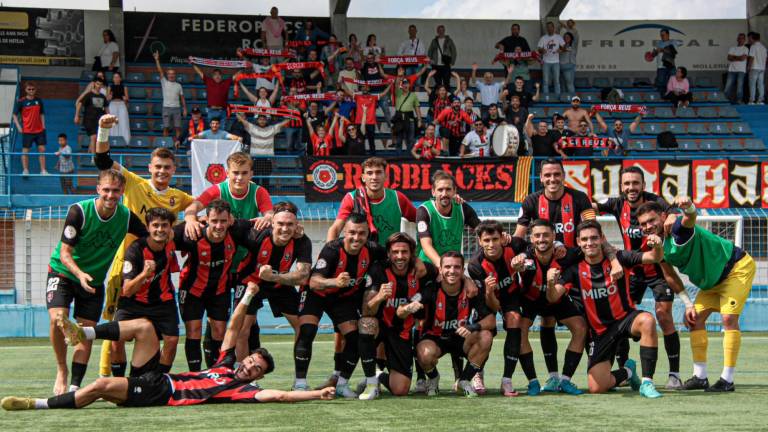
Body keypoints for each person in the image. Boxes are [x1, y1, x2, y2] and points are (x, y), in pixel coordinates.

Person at [1, 283, 335, 411]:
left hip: (160, 393)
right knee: (145, 328)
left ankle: (37, 404)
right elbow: (232, 329)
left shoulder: (239, 390)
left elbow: (279, 396)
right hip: (159, 377)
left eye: (256, 369)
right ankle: (83, 335)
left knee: (101, 386)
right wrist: (247, 297)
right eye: (252, 361)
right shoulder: (224, 366)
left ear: (255, 377)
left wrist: (316, 394)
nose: (249, 366)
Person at [93, 114, 195, 378]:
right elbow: (102, 161)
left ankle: (150, 378)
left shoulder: (177, 197)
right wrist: (103, 131)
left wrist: (192, 215)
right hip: (126, 264)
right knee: (116, 327)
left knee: (160, 333)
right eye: (158, 166)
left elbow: (197, 202)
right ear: (150, 167)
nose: (162, 171)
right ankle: (107, 378)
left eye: (167, 167)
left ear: (174, 170)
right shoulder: (133, 184)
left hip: (159, 272)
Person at [637, 197, 756, 392]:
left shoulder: (676, 229)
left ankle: (727, 380)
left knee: (728, 319)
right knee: (694, 320)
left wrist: (688, 206)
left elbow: (690, 218)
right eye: (643, 224)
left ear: (663, 217)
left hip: (736, 268)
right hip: (711, 282)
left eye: (652, 221)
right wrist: (687, 303)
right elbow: (669, 275)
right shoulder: (657, 245)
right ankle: (700, 377)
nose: (648, 226)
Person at [46, 169, 148, 395]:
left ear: (122, 192)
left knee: (86, 332)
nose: (111, 195)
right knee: (57, 319)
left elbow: (151, 237)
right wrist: (80, 274)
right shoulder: (79, 211)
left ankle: (74, 386)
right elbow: (65, 253)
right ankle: (61, 370)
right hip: (64, 272)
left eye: (116, 191)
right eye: (106, 190)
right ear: (98, 190)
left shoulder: (126, 217)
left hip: (94, 282)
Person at [548, 220, 664, 398]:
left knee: (648, 320)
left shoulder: (620, 258)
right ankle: (628, 372)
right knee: (597, 387)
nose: (589, 243)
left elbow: (653, 258)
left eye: (594, 238)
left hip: (625, 319)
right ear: (578, 241)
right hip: (599, 332)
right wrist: (550, 282)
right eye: (585, 239)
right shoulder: (573, 270)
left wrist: (657, 246)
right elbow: (553, 297)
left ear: (602, 238)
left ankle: (647, 382)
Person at [595, 167, 686, 389]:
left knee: (664, 316)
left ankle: (674, 374)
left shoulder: (655, 201)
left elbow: (673, 211)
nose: (631, 188)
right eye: (627, 184)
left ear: (643, 185)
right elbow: (590, 206)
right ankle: (625, 371)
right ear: (621, 187)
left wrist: (673, 214)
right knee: (620, 319)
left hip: (658, 270)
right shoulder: (617, 204)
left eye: (635, 183)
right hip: (631, 272)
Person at [293, 213, 386, 398]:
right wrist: (335, 282)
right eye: (352, 232)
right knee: (307, 331)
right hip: (316, 294)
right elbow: (314, 281)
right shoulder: (332, 249)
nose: (356, 237)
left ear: (368, 234)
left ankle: (342, 384)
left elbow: (397, 259)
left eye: (361, 233)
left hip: (342, 298)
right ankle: (300, 384)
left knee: (354, 338)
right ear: (344, 231)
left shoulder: (374, 250)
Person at [174, 199, 254, 371]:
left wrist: (268, 218)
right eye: (214, 221)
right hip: (191, 290)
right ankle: (195, 375)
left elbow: (258, 225)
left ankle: (216, 373)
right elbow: (164, 238)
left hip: (220, 290)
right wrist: (188, 219)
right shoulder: (192, 233)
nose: (219, 226)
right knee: (194, 331)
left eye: (223, 221)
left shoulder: (236, 230)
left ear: (230, 220)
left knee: (219, 331)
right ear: (206, 219)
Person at [358, 233, 438, 399]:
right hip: (380, 325)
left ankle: (378, 374)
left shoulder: (422, 269)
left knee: (401, 390)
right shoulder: (378, 270)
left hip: (401, 331)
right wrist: (379, 297)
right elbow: (367, 310)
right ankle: (371, 383)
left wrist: (466, 281)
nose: (400, 256)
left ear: (411, 254)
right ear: (388, 253)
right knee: (366, 324)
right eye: (395, 252)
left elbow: (442, 275)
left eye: (404, 252)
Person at [514, 220, 587, 395]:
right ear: (531, 238)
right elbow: (509, 248)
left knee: (580, 327)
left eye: (546, 235)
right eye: (537, 235)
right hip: (530, 299)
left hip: (556, 297)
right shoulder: (525, 257)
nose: (541, 239)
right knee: (520, 329)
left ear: (554, 237)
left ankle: (564, 380)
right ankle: (533, 382)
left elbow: (591, 247)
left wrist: (614, 256)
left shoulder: (567, 254)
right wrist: (516, 265)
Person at [232, 201, 311, 360]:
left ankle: (300, 381)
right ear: (272, 223)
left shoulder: (302, 241)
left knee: (304, 327)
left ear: (297, 225)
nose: (285, 228)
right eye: (280, 223)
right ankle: (245, 380)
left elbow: (303, 275)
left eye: (290, 224)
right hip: (250, 283)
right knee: (242, 329)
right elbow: (227, 222)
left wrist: (273, 277)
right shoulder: (256, 234)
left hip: (280, 283)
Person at [417, 251, 495, 398]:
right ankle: (433, 378)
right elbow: (413, 301)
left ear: (463, 270)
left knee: (486, 336)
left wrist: (471, 327)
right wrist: (410, 306)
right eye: (447, 267)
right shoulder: (430, 289)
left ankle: (464, 380)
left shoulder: (472, 290)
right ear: (440, 269)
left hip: (461, 338)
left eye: (456, 267)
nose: (452, 271)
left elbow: (490, 320)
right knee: (424, 353)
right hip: (435, 338)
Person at [467, 220, 530, 396]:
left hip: (511, 294)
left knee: (514, 320)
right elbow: (491, 304)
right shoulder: (475, 265)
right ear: (479, 241)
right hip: (488, 298)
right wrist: (488, 292)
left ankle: (507, 380)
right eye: (486, 240)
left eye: (495, 239)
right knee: (486, 330)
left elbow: (531, 250)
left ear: (502, 238)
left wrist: (524, 260)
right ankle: (477, 372)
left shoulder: (515, 245)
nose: (491, 244)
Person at [114, 207, 180, 374]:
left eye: (164, 225)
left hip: (163, 301)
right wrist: (144, 274)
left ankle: (159, 379)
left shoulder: (172, 240)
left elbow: (193, 225)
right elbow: (127, 290)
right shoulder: (135, 250)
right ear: (148, 227)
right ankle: (119, 380)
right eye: (155, 225)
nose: (160, 229)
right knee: (116, 340)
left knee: (172, 340)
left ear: (171, 228)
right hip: (133, 302)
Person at [327, 157, 417, 245]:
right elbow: (335, 229)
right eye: (370, 173)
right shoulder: (352, 198)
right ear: (363, 177)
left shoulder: (398, 198)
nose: (374, 177)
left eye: (378, 172)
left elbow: (421, 220)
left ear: (385, 176)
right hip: (362, 256)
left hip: (390, 257)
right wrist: (328, 255)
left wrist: (420, 249)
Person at [514, 158, 596, 248]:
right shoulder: (530, 201)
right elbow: (518, 236)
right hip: (544, 258)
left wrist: (608, 250)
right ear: (541, 177)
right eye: (547, 175)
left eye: (557, 174)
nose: (552, 179)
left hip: (574, 258)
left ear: (564, 176)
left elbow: (593, 229)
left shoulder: (580, 198)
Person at [416, 171, 481, 265]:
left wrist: (500, 234)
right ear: (433, 192)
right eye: (440, 190)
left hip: (453, 266)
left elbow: (482, 230)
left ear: (454, 191)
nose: (444, 193)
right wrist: (442, 267)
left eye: (448, 189)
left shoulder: (462, 207)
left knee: (469, 279)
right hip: (429, 265)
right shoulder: (424, 211)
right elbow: (426, 246)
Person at [13, 82, 48, 175]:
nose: (31, 91)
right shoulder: (21, 101)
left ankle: (43, 170)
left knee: (42, 149)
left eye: (33, 89)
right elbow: (14, 115)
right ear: (25, 90)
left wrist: (43, 125)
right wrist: (18, 127)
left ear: (35, 90)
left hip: (39, 130)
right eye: (29, 89)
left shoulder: (39, 101)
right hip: (27, 131)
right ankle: (25, 170)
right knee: (25, 151)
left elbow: (42, 114)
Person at [154, 51, 187, 144]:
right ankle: (165, 144)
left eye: (173, 74)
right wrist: (157, 60)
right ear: (167, 75)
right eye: (169, 74)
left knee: (178, 127)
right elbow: (160, 71)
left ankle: (178, 144)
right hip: (166, 108)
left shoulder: (179, 85)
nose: (171, 75)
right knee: (166, 127)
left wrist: (184, 109)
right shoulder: (164, 82)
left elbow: (182, 98)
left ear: (175, 75)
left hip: (177, 108)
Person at [74, 77, 108, 153]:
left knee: (96, 138)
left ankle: (91, 151)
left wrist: (109, 117)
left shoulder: (103, 97)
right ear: (94, 84)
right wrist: (77, 115)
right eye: (97, 84)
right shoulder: (89, 95)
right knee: (94, 137)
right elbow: (79, 104)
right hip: (89, 120)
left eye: (100, 84)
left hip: (99, 121)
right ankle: (94, 157)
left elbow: (106, 108)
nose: (99, 86)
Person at [392, 79, 423, 155]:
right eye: (404, 84)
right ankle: (398, 158)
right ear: (401, 85)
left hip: (410, 119)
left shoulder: (413, 95)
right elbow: (396, 84)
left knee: (410, 140)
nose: (405, 85)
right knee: (398, 141)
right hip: (399, 119)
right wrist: (399, 76)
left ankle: (408, 158)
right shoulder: (398, 93)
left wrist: (419, 120)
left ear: (409, 85)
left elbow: (417, 108)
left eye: (407, 84)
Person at [537, 22, 565, 98]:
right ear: (547, 28)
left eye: (551, 27)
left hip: (556, 62)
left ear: (553, 28)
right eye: (548, 27)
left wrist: (560, 49)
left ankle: (558, 97)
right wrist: (542, 50)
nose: (549, 28)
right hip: (546, 62)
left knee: (556, 81)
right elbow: (539, 49)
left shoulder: (558, 37)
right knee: (545, 81)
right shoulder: (543, 38)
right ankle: (546, 97)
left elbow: (564, 47)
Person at [652, 29, 682, 96]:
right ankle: (663, 97)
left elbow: (672, 52)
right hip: (660, 66)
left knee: (673, 82)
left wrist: (662, 49)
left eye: (663, 35)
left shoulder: (672, 42)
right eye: (661, 35)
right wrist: (653, 53)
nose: (662, 36)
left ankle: (672, 97)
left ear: (668, 35)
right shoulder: (658, 43)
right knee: (661, 83)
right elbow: (654, 54)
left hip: (670, 65)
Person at [106, 72, 131, 143]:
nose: (116, 79)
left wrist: (125, 98)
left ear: (120, 78)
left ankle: (125, 141)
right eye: (114, 77)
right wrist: (109, 97)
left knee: (123, 122)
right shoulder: (110, 87)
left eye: (117, 77)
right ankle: (112, 141)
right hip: (112, 105)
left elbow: (127, 98)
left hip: (121, 105)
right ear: (113, 79)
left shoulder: (124, 87)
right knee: (112, 122)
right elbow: (107, 98)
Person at [725, 33, 749, 104]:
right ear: (737, 39)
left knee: (739, 87)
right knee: (728, 87)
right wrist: (738, 57)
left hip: (741, 70)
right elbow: (729, 58)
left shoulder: (746, 49)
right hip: (731, 70)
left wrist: (734, 57)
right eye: (739, 38)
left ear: (744, 40)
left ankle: (739, 100)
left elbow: (743, 58)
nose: (740, 40)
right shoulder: (732, 48)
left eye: (742, 38)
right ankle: (726, 100)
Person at [747, 32, 767, 105]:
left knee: (752, 84)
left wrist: (749, 67)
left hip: (754, 67)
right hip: (762, 68)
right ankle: (760, 100)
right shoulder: (763, 47)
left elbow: (751, 57)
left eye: (749, 38)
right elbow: (766, 59)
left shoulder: (753, 46)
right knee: (761, 84)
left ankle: (752, 100)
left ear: (752, 38)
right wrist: (764, 67)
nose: (748, 40)